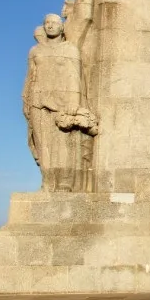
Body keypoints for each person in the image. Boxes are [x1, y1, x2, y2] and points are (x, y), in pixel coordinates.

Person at [22, 14, 98, 192]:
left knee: (64, 144)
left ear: (62, 27)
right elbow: (30, 77)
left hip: (62, 102)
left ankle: (65, 183)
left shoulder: (70, 49)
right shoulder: (35, 51)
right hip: (38, 100)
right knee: (42, 144)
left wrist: (74, 101)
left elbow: (75, 77)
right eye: (47, 23)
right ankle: (47, 182)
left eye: (54, 23)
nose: (50, 26)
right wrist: (26, 100)